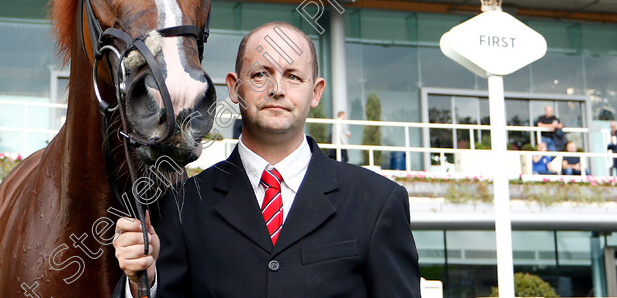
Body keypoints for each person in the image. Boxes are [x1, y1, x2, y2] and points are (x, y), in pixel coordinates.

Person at [113, 22, 420, 298]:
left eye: (293, 76)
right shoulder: (183, 205)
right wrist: (144, 280)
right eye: (261, 74)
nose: (277, 89)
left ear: (316, 92)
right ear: (234, 87)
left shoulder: (378, 202)